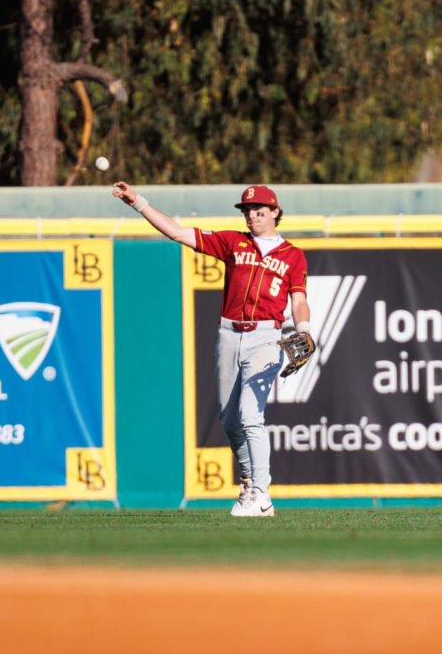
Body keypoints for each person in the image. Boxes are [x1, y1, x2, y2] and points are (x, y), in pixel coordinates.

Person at [112, 182, 312, 517]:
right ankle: (249, 480)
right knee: (230, 420)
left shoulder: (292, 255)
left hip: (266, 337)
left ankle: (261, 494)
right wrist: (138, 202)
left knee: (251, 415)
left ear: (275, 212)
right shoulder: (233, 242)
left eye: (259, 210)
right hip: (229, 334)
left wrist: (304, 330)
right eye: (247, 210)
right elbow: (176, 232)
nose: (252, 216)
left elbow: (299, 301)